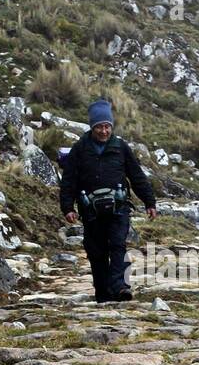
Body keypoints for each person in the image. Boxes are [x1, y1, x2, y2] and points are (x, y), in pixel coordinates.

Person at [59, 99, 157, 304]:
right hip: (91, 212)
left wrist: (150, 201)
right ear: (92, 127)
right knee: (97, 252)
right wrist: (67, 207)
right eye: (99, 127)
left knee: (118, 245)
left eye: (107, 126)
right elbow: (69, 180)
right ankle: (103, 292)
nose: (104, 131)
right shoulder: (79, 149)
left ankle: (121, 286)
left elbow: (136, 176)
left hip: (118, 209)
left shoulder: (121, 147)